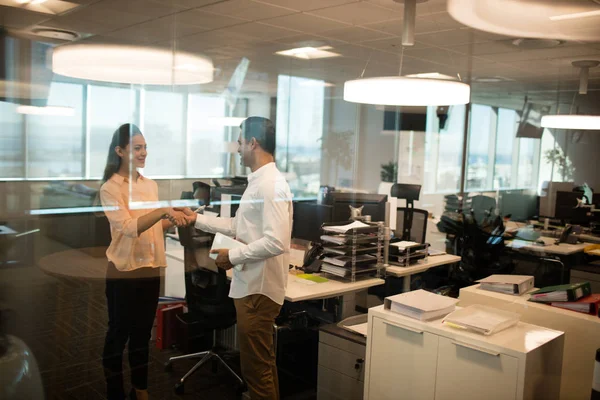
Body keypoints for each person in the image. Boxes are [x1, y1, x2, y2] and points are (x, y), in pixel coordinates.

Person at [179, 116, 292, 400]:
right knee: (260, 366)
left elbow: (276, 241)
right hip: (251, 285)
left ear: (253, 143)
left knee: (257, 370)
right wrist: (197, 220)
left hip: (258, 289)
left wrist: (234, 256)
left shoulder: (270, 186)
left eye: (241, 142)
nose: (238, 149)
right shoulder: (259, 183)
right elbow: (238, 226)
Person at [99, 123, 187, 400]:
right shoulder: (110, 188)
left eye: (145, 147)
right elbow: (128, 227)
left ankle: (141, 388)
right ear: (120, 151)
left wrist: (174, 218)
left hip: (149, 268)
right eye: (137, 148)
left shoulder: (150, 185)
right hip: (124, 271)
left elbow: (151, 228)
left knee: (141, 335)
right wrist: (162, 212)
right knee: (118, 334)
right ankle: (115, 391)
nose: (143, 153)